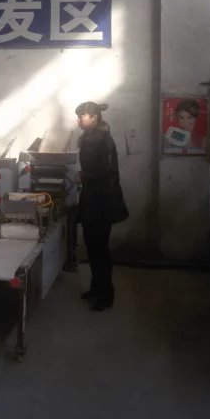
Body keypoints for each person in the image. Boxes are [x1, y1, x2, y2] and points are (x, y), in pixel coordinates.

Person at [75, 100, 128, 311]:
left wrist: (84, 175)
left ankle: (106, 296)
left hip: (102, 202)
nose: (78, 120)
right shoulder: (90, 138)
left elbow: (107, 172)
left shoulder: (103, 140)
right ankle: (96, 288)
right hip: (92, 199)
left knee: (100, 249)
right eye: (78, 116)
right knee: (92, 246)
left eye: (82, 116)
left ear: (94, 117)